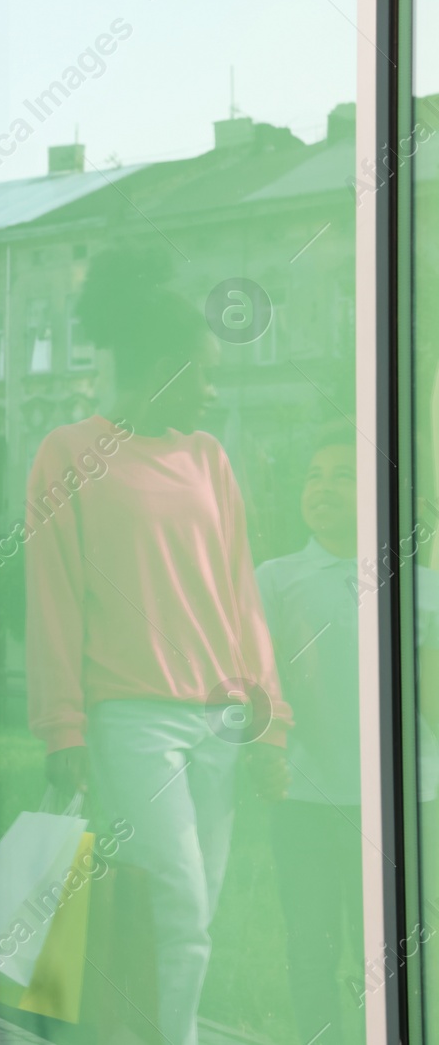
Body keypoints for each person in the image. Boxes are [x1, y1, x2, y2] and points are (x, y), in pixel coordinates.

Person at [24, 249, 289, 1045]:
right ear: (161, 366)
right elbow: (54, 602)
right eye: (203, 372)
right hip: (132, 720)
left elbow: (240, 598)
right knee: (178, 900)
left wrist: (270, 721)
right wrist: (63, 727)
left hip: (222, 720)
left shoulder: (209, 458)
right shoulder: (68, 454)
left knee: (196, 909)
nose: (212, 390)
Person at [256, 430, 438, 1045]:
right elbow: (251, 680)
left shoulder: (419, 585)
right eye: (313, 475)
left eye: (342, 475)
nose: (323, 487)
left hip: (403, 804)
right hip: (305, 802)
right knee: (310, 946)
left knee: (393, 952)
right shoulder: (275, 580)